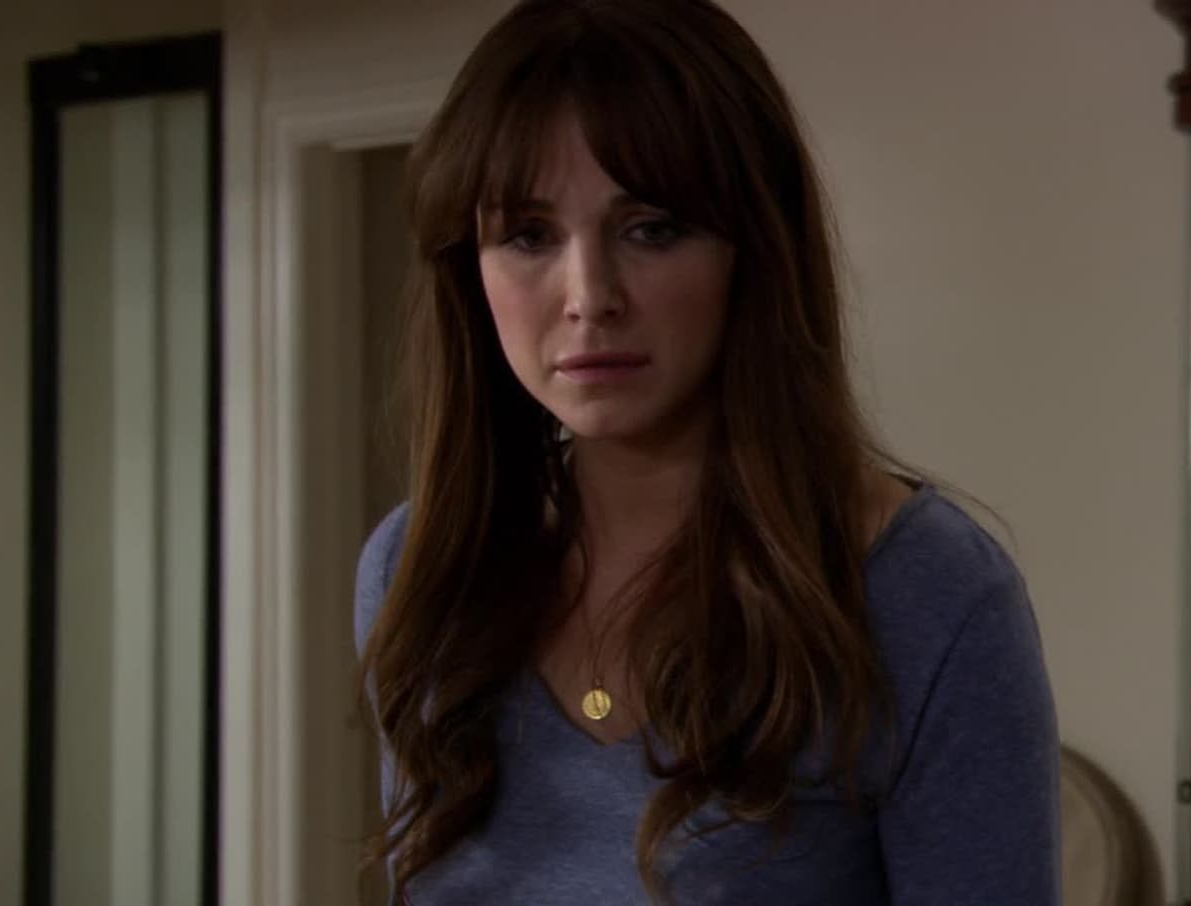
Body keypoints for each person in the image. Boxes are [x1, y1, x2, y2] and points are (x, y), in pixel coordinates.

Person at [353, 1, 1059, 903]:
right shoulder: (419, 570)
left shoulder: (923, 592)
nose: (589, 295)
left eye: (652, 228)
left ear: (753, 248)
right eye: (529, 235)